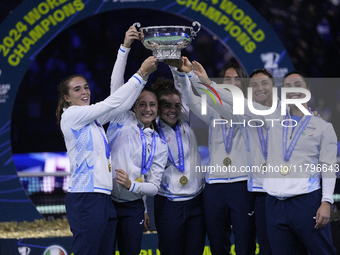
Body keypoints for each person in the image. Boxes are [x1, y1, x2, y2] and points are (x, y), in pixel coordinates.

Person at [191, 68, 337, 254]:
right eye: (288, 86)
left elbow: (328, 167)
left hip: (306, 200)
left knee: (321, 251)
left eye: (298, 85)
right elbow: (238, 103)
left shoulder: (322, 127)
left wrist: (326, 201)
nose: (293, 90)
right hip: (274, 202)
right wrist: (208, 84)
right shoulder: (272, 117)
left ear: (307, 89)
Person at [56, 53, 156, 254]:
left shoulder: (92, 121)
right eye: (77, 89)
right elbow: (110, 103)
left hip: (103, 196)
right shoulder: (72, 116)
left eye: (86, 87)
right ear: (67, 98)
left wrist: (143, 78)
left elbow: (121, 106)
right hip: (85, 197)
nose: (84, 92)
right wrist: (139, 73)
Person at [106, 26, 168, 255]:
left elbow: (153, 185)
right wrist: (126, 47)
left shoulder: (160, 144)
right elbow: (116, 83)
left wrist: (134, 190)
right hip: (106, 202)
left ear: (158, 109)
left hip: (132, 207)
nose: (147, 109)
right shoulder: (121, 116)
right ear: (133, 105)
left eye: (152, 105)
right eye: (141, 103)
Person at [185, 59, 257, 255]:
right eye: (227, 79)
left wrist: (203, 81)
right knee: (217, 244)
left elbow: (229, 104)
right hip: (214, 186)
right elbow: (191, 100)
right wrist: (183, 74)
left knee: (245, 243)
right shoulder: (213, 111)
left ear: (243, 84)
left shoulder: (250, 109)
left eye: (236, 79)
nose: (232, 83)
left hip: (242, 185)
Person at [151, 59, 206, 255]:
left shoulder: (185, 121)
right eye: (166, 105)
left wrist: (176, 67)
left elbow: (183, 91)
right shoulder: (151, 132)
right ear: (157, 107)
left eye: (176, 105)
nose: (173, 109)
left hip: (196, 203)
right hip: (169, 204)